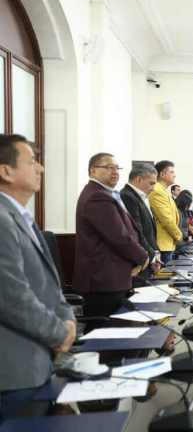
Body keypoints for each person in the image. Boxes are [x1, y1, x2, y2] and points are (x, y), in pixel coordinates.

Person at [0, 135, 76, 419]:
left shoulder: (20, 216)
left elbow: (49, 285)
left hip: (38, 362)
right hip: (14, 373)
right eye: (32, 162)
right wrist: (60, 333)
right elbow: (11, 297)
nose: (41, 168)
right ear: (6, 171)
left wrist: (67, 319)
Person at [74, 153, 148, 320]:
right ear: (92, 170)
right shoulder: (97, 196)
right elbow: (120, 237)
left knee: (115, 333)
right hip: (103, 280)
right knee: (105, 335)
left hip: (110, 278)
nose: (115, 172)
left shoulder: (105, 193)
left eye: (117, 168)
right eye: (108, 167)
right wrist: (143, 257)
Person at [121, 163, 160, 278]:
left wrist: (155, 254)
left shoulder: (139, 196)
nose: (153, 188)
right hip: (140, 261)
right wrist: (151, 256)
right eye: (151, 183)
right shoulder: (127, 196)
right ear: (138, 179)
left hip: (147, 258)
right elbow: (137, 231)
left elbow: (149, 230)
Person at [149, 161, 183, 263]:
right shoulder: (157, 191)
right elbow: (166, 219)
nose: (174, 175)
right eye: (172, 172)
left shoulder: (163, 191)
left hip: (169, 243)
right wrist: (179, 236)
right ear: (162, 174)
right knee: (164, 278)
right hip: (163, 245)